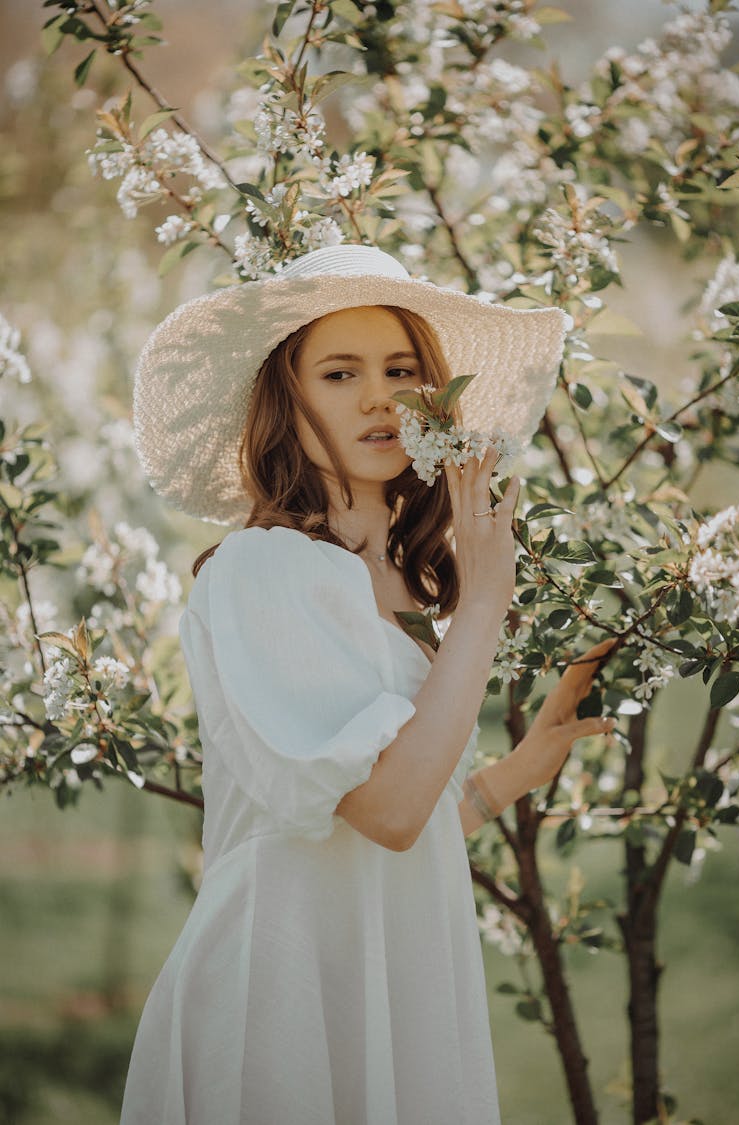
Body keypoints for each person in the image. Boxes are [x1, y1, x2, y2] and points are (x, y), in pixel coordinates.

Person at [121, 244, 615, 1124]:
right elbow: (382, 812)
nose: (380, 397)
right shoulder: (259, 570)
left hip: (396, 964)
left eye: (401, 370)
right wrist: (487, 602)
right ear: (285, 400)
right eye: (340, 373)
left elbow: (402, 818)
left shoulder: (417, 582)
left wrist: (512, 774)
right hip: (284, 982)